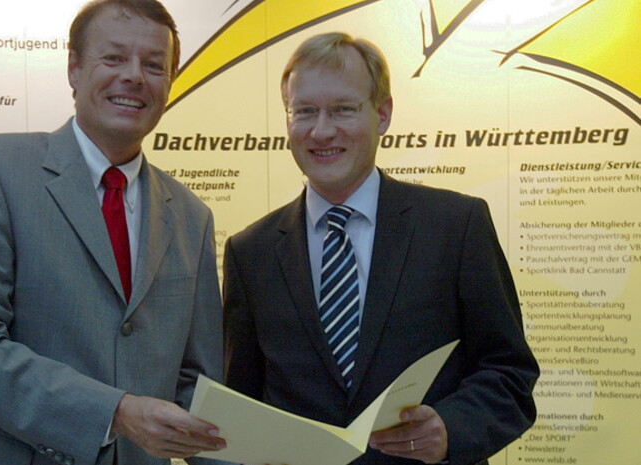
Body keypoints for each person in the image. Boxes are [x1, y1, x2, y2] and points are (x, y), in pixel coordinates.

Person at [0, 1, 227, 464]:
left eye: (154, 65)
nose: (134, 76)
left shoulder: (191, 216)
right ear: (73, 68)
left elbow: (197, 387)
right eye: (113, 58)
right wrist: (117, 413)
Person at [223, 32, 538, 465]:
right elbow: (240, 405)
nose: (322, 130)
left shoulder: (455, 226)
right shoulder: (250, 252)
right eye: (305, 111)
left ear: (383, 114)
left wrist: (450, 428)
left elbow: (509, 372)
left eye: (343, 110)